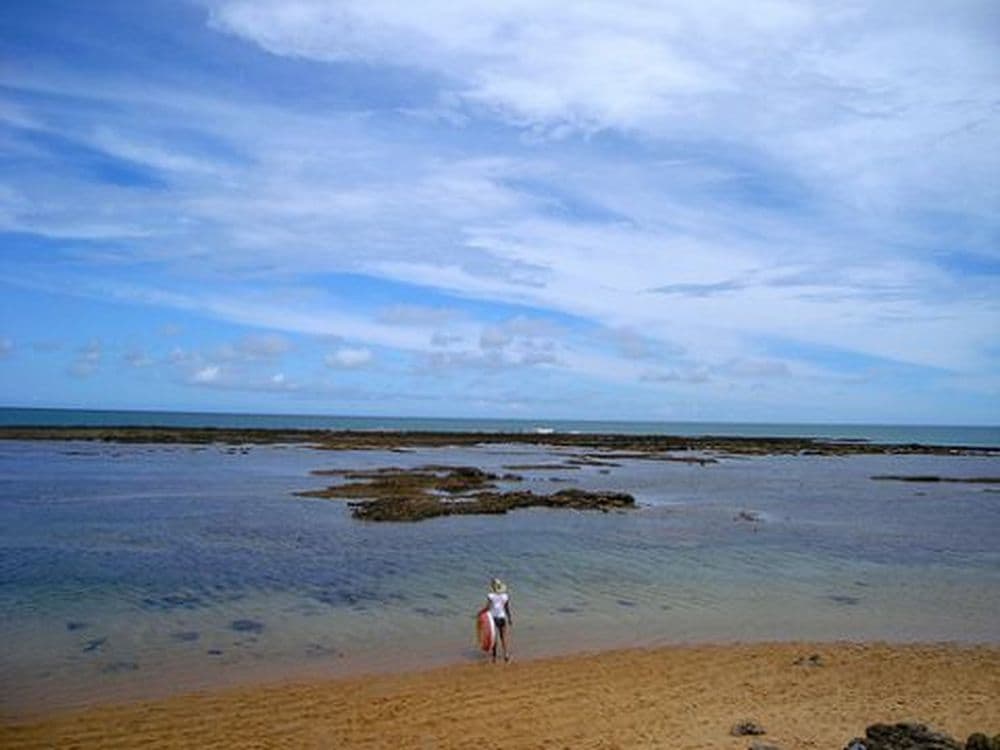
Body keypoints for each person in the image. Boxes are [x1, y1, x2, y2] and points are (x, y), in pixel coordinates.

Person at [484, 577, 512, 663]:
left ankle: (494, 656)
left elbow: (487, 607)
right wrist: (510, 618)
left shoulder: (491, 596)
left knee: (494, 637)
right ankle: (506, 654)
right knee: (503, 637)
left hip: (493, 618)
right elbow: (507, 609)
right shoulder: (505, 596)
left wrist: (482, 614)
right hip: (502, 617)